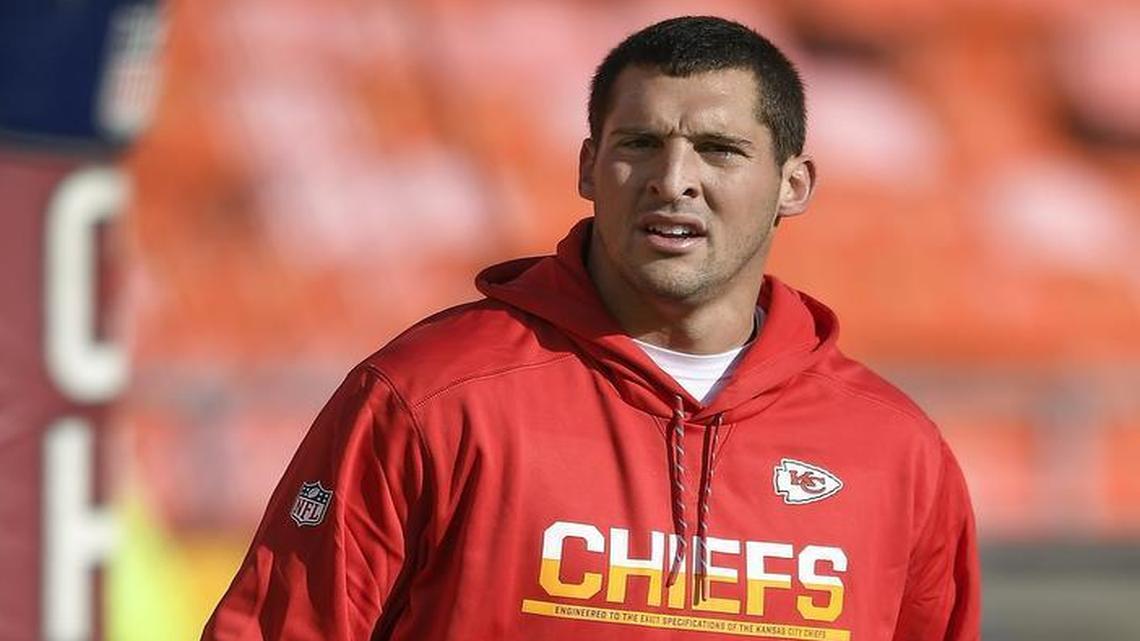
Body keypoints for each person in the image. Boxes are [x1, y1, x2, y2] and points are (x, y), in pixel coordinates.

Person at [202, 15, 979, 641]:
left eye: (719, 149)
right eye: (640, 144)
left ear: (794, 184)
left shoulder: (895, 451)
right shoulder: (430, 396)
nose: (673, 181)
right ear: (586, 167)